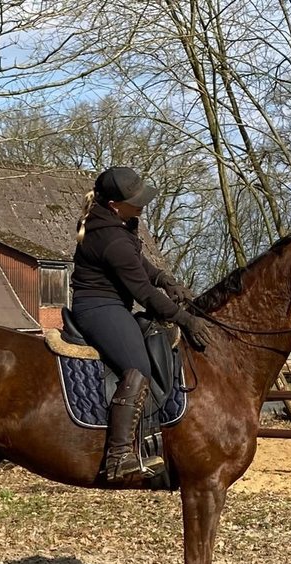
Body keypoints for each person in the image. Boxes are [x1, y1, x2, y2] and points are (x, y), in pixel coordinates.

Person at [70, 166, 215, 481]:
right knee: (138, 365)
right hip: (98, 308)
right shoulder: (111, 237)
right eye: (135, 200)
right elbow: (144, 293)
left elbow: (141, 266)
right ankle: (119, 456)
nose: (142, 205)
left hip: (112, 305)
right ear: (114, 204)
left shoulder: (117, 225)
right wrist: (185, 318)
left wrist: (167, 279)